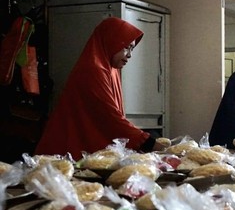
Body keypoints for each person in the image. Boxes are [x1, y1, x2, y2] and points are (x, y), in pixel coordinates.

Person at [35, 17, 168, 160]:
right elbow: (110, 118)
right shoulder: (93, 70)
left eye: (132, 48)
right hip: (65, 154)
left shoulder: (110, 69)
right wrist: (150, 143)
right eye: (126, 47)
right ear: (112, 41)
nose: (129, 55)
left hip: (80, 155)